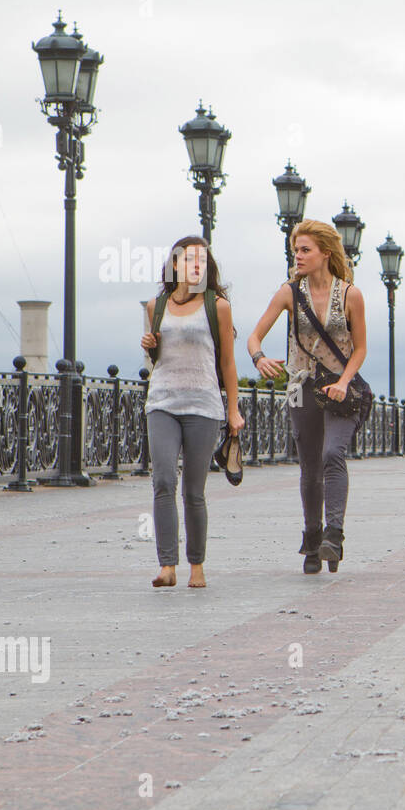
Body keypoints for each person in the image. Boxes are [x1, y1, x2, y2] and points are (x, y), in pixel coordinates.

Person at [246, 220, 367, 574]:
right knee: (310, 466)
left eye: (305, 250)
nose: (297, 256)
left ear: (324, 254)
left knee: (333, 454)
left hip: (340, 390)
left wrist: (345, 381)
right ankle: (312, 538)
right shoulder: (288, 292)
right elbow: (254, 337)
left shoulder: (350, 295)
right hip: (300, 389)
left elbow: (360, 349)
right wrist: (260, 358)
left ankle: (334, 535)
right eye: (295, 250)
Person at [140, 236, 243, 589]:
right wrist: (150, 347)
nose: (195, 265)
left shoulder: (218, 306)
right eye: (188, 259)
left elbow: (227, 363)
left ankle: (196, 565)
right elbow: (154, 359)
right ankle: (167, 565)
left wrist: (234, 410)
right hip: (162, 403)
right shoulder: (156, 306)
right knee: (164, 480)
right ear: (175, 266)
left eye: (202, 259)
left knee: (194, 491)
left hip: (204, 405)